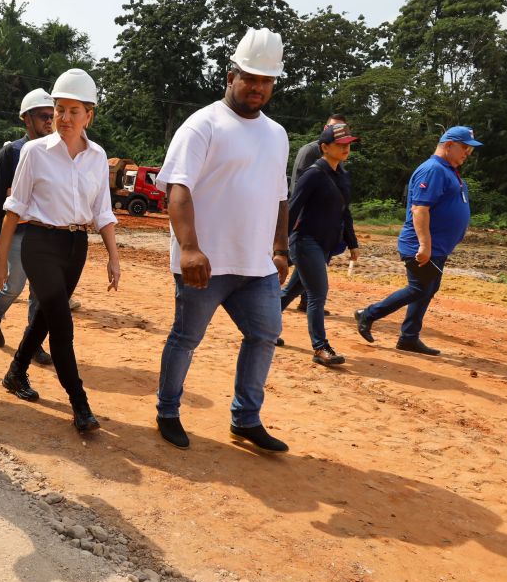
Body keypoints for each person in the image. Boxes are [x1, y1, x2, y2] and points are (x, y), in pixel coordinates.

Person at [152, 27, 291, 453]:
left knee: (264, 334)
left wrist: (280, 248)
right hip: (205, 264)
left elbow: (280, 196)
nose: (257, 87)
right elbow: (178, 189)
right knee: (186, 339)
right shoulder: (203, 125)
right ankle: (168, 411)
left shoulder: (277, 134)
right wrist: (190, 248)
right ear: (231, 77)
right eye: (250, 78)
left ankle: (246, 419)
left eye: (266, 80)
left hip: (255, 265)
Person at [0, 68, 121, 433]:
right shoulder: (34, 152)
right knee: (62, 325)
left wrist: (113, 256)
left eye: (73, 111)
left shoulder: (97, 156)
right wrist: (1, 258)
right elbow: (15, 207)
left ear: (89, 115)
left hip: (76, 246)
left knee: (47, 318)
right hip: (40, 243)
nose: (64, 118)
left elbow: (102, 211)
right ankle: (80, 404)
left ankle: (15, 372)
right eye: (59, 109)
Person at [355, 126, 482, 356]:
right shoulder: (433, 170)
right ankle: (368, 314)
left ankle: (409, 337)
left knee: (428, 288)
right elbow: (420, 209)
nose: (468, 153)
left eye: (470, 149)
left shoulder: (448, 170)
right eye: (465, 147)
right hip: (420, 245)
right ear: (449, 145)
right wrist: (424, 245)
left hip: (437, 247)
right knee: (418, 288)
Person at [0, 88, 55, 365]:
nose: (49, 121)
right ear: (26, 118)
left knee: (40, 291)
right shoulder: (11, 152)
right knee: (14, 285)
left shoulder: (56, 152)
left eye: (52, 115)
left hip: (45, 232)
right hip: (17, 230)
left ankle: (32, 343)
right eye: (43, 116)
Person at [285, 122, 361, 366]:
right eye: (340, 144)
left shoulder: (342, 175)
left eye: (348, 144)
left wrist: (352, 242)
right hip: (305, 241)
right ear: (324, 147)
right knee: (317, 294)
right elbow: (292, 209)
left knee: (291, 291)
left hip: (325, 244)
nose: (345, 149)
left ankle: (259, 326)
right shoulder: (313, 174)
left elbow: (344, 211)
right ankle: (320, 347)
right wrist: (279, 247)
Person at [279, 113, 347, 319]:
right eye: (333, 128)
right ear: (325, 130)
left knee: (305, 273)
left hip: (325, 226)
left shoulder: (340, 155)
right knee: (295, 262)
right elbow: (298, 186)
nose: (338, 132)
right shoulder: (309, 151)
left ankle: (302, 301)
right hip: (305, 222)